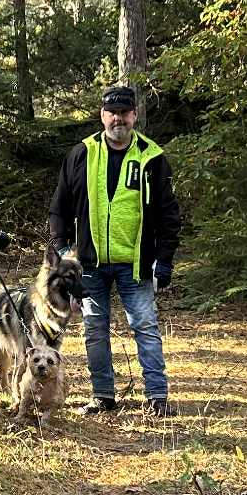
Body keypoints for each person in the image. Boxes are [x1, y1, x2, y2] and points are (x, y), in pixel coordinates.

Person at [49, 83, 181, 417]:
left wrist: (163, 261)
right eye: (112, 112)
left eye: (124, 112)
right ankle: (103, 396)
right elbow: (59, 206)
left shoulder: (151, 158)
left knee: (145, 327)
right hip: (89, 264)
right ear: (102, 115)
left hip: (136, 263)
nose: (117, 119)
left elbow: (168, 214)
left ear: (134, 115)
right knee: (94, 329)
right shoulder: (82, 154)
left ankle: (157, 396)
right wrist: (63, 249)